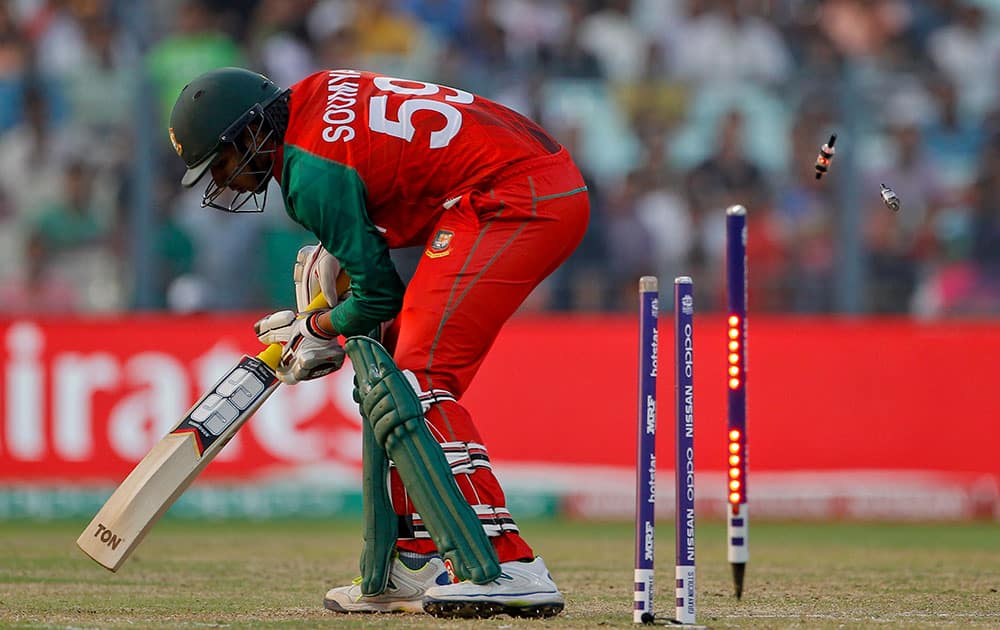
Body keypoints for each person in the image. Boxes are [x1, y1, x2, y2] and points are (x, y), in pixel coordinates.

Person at [167, 66, 589, 618]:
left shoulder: (308, 174)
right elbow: (386, 169)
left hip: (513, 196)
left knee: (416, 380)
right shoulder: (316, 92)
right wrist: (341, 254)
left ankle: (507, 564)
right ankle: (412, 561)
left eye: (220, 162)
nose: (222, 181)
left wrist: (315, 328)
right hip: (522, 176)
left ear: (251, 132)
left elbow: (378, 296)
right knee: (392, 371)